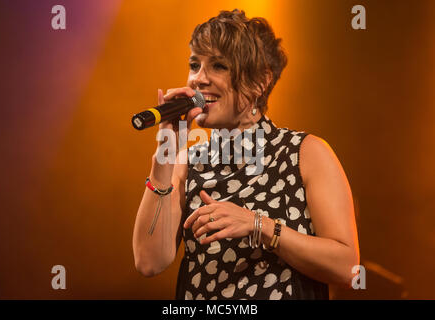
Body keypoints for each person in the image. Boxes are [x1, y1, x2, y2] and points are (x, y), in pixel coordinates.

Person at [133, 9, 359, 300]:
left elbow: (349, 269)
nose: (198, 80)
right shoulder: (186, 164)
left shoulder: (305, 153)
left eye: (218, 66)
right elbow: (149, 262)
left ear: (260, 81)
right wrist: (164, 155)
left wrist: (259, 226)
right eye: (194, 64)